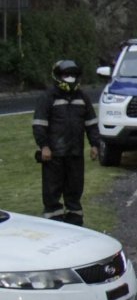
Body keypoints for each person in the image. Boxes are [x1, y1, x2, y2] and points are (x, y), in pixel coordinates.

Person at [32, 60, 100, 225]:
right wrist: (45, 146)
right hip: (53, 155)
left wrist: (94, 144)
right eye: (66, 75)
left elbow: (91, 123)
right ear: (58, 77)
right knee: (51, 190)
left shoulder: (82, 98)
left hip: (75, 152)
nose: (70, 78)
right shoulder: (48, 97)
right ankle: (53, 222)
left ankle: (75, 222)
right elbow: (39, 124)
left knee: (75, 189)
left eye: (73, 75)